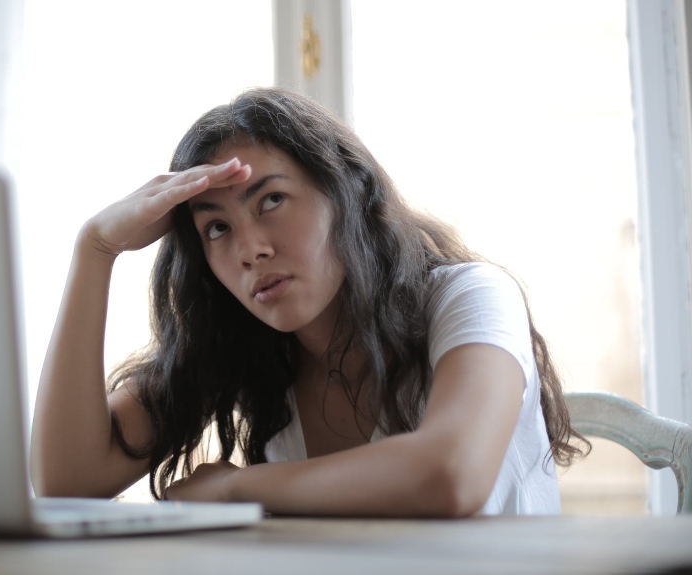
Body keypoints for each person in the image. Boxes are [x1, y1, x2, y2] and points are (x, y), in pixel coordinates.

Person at [30, 87, 587, 517]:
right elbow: (67, 481)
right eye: (217, 228)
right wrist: (95, 249)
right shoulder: (245, 344)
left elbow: (452, 474)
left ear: (347, 193)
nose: (251, 248)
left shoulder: (470, 297)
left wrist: (236, 487)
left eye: (271, 199)